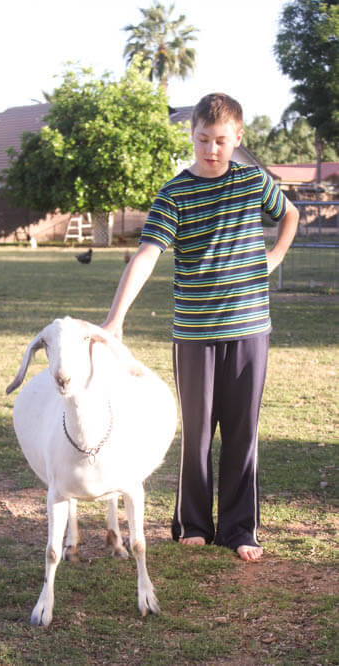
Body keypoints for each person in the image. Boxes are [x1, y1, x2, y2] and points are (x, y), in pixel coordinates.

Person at [102, 93, 299, 562]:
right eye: (203, 140)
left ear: (238, 139)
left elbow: (289, 213)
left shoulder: (252, 181)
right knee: (196, 431)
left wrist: (274, 258)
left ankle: (240, 529)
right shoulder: (174, 193)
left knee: (242, 431)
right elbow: (148, 254)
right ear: (192, 136)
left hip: (250, 327)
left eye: (222, 141)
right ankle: (193, 523)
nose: (212, 149)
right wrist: (116, 318)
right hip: (193, 334)